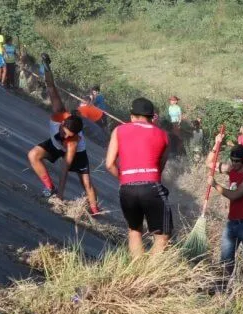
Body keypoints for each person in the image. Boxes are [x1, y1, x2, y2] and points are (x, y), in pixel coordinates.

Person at [27, 54, 100, 215]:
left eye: (69, 136)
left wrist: (61, 197)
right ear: (62, 124)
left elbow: (64, 170)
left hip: (77, 154)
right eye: (65, 133)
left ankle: (95, 211)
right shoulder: (59, 112)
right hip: (54, 144)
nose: (66, 137)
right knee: (33, 155)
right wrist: (47, 67)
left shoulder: (72, 141)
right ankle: (49, 187)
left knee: (86, 184)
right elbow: (51, 86)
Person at [106, 97, 172, 258]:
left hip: (127, 188)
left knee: (134, 231)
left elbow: (109, 164)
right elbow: (160, 165)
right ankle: (150, 273)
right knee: (163, 235)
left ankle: (137, 270)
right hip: (151, 186)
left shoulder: (118, 130)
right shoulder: (163, 135)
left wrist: (124, 179)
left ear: (132, 115)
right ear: (152, 117)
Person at [207, 136, 243, 276]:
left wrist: (215, 185)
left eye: (237, 161)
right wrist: (216, 143)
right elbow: (209, 163)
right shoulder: (231, 170)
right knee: (225, 262)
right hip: (232, 223)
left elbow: (235, 195)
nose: (234, 163)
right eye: (232, 160)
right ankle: (221, 291)